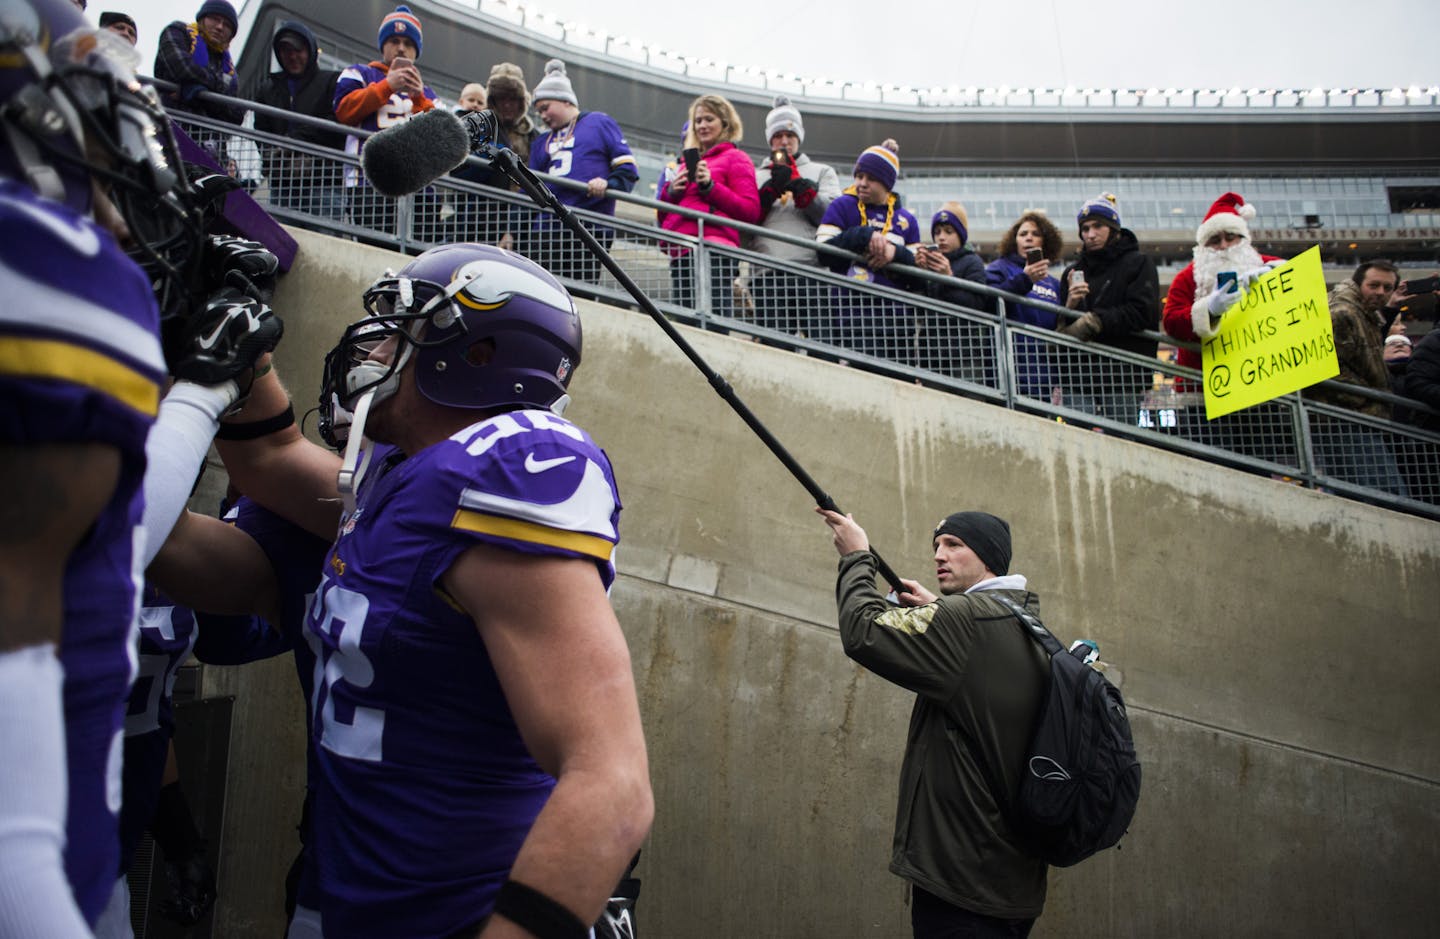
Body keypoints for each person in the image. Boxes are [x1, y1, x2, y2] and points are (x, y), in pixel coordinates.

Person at [200, 244, 654, 938]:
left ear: (473, 353)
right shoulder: (400, 478)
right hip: (361, 887)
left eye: (398, 331)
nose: (374, 350)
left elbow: (612, 785)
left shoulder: (507, 464)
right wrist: (233, 342)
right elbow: (269, 457)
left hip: (466, 909)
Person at [1, 2, 279, 931]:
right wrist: (204, 391)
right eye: (91, 175)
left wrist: (205, 392)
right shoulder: (38, 282)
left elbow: (98, 545)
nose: (117, 225)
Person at [815, 508, 1048, 937]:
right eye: (937, 546)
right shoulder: (1026, 625)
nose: (940, 555)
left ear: (989, 557)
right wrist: (937, 611)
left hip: (961, 882)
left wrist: (856, 557)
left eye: (955, 545)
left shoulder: (965, 621)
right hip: (1011, 883)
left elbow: (864, 631)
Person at [1159, 192, 1285, 450]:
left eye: (1231, 237)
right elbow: (1171, 320)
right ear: (1203, 246)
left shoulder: (1270, 266)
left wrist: (1282, 282)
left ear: (1244, 239)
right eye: (1215, 240)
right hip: (1202, 393)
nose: (1224, 245)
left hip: (1259, 391)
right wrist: (1209, 309)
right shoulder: (1187, 278)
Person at [1304, 259, 1413, 495]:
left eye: (1387, 288)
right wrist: (1366, 401)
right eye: (1373, 285)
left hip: (1351, 419)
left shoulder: (1364, 313)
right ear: (1357, 283)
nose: (1380, 293)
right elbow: (1326, 368)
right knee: (1388, 494)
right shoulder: (1343, 313)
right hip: (1346, 419)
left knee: (1359, 493)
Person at [525, 58, 638, 283]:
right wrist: (513, 230)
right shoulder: (540, 142)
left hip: (588, 228)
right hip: (545, 230)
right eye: (539, 112)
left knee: (579, 296)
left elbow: (627, 169)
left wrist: (609, 184)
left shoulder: (598, 122)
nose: (543, 116)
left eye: (546, 108)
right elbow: (527, 188)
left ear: (565, 100)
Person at [333, 4, 436, 239]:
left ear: (416, 51)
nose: (401, 48)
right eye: (394, 40)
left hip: (419, 191)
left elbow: (439, 139)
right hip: (368, 183)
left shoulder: (428, 93)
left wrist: (418, 98)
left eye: (408, 43)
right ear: (383, 45)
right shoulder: (359, 73)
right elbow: (343, 110)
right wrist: (387, 86)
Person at [1057, 193, 1160, 424]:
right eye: (1084, 229)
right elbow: (1061, 327)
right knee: (1077, 445)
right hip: (1078, 375)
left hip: (1121, 375)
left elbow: (1142, 312)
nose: (1090, 234)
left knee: (1122, 443)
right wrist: (1069, 306)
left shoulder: (1139, 263)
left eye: (1097, 226)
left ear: (1113, 228)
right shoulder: (1072, 272)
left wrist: (1097, 321)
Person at [816, 140, 922, 362]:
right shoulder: (842, 205)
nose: (862, 183)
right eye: (859, 176)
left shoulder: (906, 220)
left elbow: (920, 274)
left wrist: (894, 254)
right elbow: (822, 252)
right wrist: (862, 236)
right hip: (848, 317)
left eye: (871, 178)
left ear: (887, 184)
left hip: (895, 325)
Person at [658, 93, 761, 320]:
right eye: (698, 120)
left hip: (714, 250)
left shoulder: (737, 158)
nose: (702, 125)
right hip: (682, 248)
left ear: (725, 123)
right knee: (685, 322)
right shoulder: (685, 162)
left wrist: (711, 187)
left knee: (712, 319)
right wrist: (672, 191)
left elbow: (750, 211)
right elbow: (663, 214)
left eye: (709, 119)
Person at [749, 95, 840, 336]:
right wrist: (766, 197)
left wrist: (801, 188)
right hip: (767, 272)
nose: (784, 142)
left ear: (798, 138)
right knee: (775, 348)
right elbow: (745, 222)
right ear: (770, 140)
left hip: (812, 271)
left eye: (789, 136)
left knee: (822, 347)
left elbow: (833, 217)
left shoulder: (822, 172)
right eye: (778, 136)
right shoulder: (755, 175)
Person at [250, 20, 346, 221]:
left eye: (298, 50)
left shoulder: (332, 81)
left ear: (310, 50)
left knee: (325, 244)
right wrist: (274, 155)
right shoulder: (268, 88)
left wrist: (291, 143)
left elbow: (337, 122)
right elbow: (261, 131)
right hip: (283, 185)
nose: (292, 56)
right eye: (286, 51)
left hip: (324, 185)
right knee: (282, 248)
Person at [449, 62, 538, 248]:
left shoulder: (533, 136)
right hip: (479, 216)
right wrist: (492, 157)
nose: (507, 104)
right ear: (492, 100)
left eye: (512, 99)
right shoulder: (476, 126)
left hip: (520, 220)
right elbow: (457, 171)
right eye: (501, 98)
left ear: (522, 101)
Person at [986, 212, 1065, 400]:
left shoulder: (1054, 284)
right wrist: (1025, 279)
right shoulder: (1000, 268)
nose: (1029, 237)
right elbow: (989, 300)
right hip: (1008, 370)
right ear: (1014, 240)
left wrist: (1072, 303)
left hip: (1043, 375)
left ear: (1045, 242)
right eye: (1023, 234)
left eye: (1035, 234)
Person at [153, 0, 244, 163]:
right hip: (168, 137)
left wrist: (194, 91)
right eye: (215, 19)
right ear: (202, 19)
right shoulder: (178, 32)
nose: (220, 27)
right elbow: (182, 67)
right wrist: (215, 94)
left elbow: (236, 114)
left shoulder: (228, 67)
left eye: (227, 25)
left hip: (210, 154)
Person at [911, 201, 990, 379]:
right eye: (937, 232)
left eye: (949, 231)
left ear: (961, 235)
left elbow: (977, 304)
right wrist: (918, 272)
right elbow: (918, 303)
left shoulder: (972, 261)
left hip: (965, 351)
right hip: (932, 351)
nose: (941, 237)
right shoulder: (929, 264)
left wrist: (948, 278)